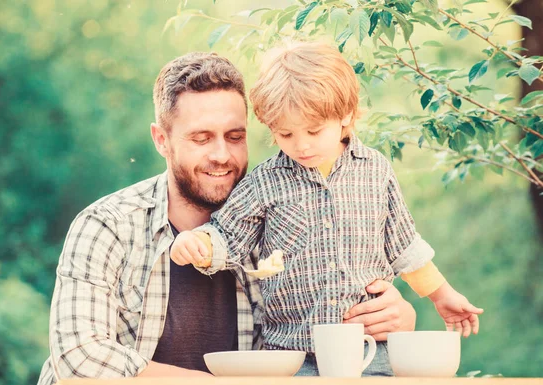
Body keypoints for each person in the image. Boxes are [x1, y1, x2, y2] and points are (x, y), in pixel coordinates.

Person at [37, 51, 417, 384]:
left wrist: (396, 319)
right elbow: (78, 356)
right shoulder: (109, 226)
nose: (221, 154)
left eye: (235, 136)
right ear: (161, 140)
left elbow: (325, 327)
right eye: (201, 138)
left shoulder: (282, 224)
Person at [170, 42, 484, 377]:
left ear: (346, 115)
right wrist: (200, 244)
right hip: (295, 355)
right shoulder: (266, 181)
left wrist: (443, 296)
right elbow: (229, 235)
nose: (301, 145)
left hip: (371, 348)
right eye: (285, 133)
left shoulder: (375, 171)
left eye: (314, 131)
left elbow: (404, 247)